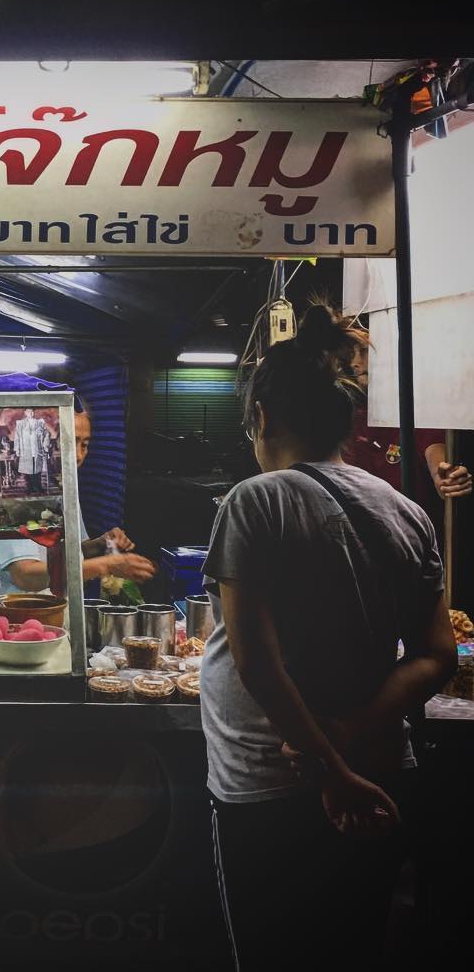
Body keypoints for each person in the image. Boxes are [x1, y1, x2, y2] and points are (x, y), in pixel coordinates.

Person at [202, 304, 456, 970]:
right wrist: (347, 734)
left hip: (274, 781)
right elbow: (437, 656)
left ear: (262, 419)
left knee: (272, 955)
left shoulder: (256, 500)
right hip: (378, 769)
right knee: (353, 949)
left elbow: (258, 661)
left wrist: (327, 767)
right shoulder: (406, 511)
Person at [0, 397, 156, 593]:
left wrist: (101, 544)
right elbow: (26, 576)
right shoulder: (19, 490)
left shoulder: (63, 486)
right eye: (69, 442)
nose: (78, 455)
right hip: (13, 608)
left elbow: (70, 551)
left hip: (53, 606)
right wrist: (107, 565)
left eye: (84, 445)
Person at [344, 333, 471, 534]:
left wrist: (447, 478)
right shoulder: (352, 418)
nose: (355, 362)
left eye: (365, 351)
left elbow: (436, 457)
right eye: (353, 353)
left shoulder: (419, 415)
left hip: (410, 543)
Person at [13, 407, 49, 493]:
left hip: (37, 449)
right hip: (25, 450)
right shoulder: (20, 423)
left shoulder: (39, 422)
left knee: (37, 469)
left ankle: (39, 487)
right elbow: (17, 437)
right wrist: (17, 449)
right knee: (28, 470)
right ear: (25, 413)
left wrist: (45, 445)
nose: (31, 413)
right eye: (29, 411)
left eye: (32, 411)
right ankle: (29, 488)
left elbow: (46, 434)